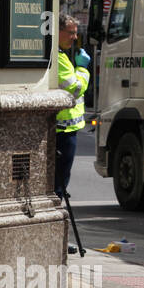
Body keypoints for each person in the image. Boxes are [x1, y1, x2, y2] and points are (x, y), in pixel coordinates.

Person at [55, 14, 91, 201]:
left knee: (60, 177)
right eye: (71, 33)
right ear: (58, 31)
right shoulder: (59, 58)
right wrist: (83, 69)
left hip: (67, 127)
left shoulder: (61, 55)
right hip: (64, 129)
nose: (75, 38)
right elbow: (76, 88)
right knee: (59, 180)